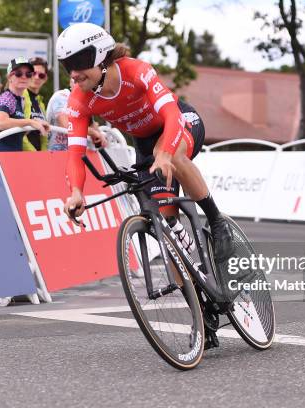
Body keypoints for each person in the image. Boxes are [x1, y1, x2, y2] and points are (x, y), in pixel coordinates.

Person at [56, 23, 233, 263]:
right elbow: (74, 154)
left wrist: (165, 153)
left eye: (78, 63)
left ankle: (216, 220)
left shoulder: (135, 70)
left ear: (99, 55)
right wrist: (76, 192)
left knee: (167, 152)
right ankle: (198, 298)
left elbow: (172, 114)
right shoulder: (79, 100)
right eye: (67, 66)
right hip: (145, 143)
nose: (73, 74)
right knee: (167, 230)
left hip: (179, 122)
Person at [0, 57, 50, 152]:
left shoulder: (20, 100)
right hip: (2, 159)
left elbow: (17, 133)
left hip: (15, 157)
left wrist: (36, 122)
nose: (24, 77)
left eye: (28, 74)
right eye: (18, 73)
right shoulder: (7, 97)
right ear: (9, 77)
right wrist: (30, 122)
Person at [46, 78, 104, 151]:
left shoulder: (85, 103)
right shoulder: (61, 96)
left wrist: (100, 136)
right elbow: (65, 125)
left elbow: (93, 127)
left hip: (76, 154)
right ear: (71, 82)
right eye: (77, 81)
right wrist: (93, 132)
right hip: (55, 153)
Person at [22, 57, 50, 151]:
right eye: (33, 73)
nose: (37, 77)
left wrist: (43, 155)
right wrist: (34, 154)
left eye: (41, 75)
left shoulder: (40, 102)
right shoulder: (19, 96)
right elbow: (19, 133)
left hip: (38, 158)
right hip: (21, 157)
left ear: (45, 79)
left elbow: (44, 136)